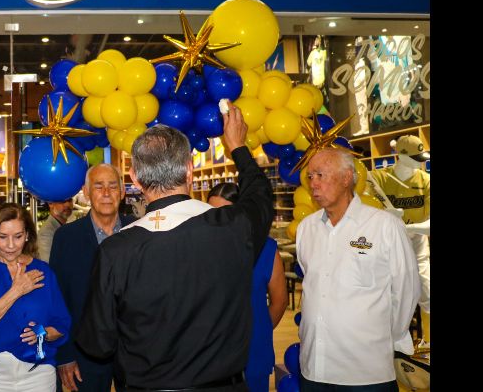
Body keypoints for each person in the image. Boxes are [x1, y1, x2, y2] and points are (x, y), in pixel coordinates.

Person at [76, 101, 274, 392]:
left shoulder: (116, 251)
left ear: (135, 179)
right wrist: (237, 147)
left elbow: (98, 344)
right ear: (189, 170)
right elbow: (260, 194)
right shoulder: (233, 227)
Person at [296, 147, 420, 391]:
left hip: (365, 372)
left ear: (346, 178)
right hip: (314, 368)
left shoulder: (384, 226)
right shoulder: (306, 229)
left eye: (321, 175)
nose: (313, 184)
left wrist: (386, 337)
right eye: (310, 176)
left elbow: (407, 291)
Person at [0, 202, 71, 391]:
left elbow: (62, 325)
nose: (11, 245)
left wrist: (43, 333)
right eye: (3, 237)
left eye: (18, 236)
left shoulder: (43, 272)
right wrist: (16, 291)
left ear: (28, 235)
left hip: (37, 371)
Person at [49, 164, 136, 392]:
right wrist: (64, 355)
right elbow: (58, 300)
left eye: (112, 186)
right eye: (98, 186)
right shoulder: (66, 237)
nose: (106, 193)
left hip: (135, 352)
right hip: (84, 353)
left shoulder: (139, 231)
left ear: (123, 191)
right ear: (86, 193)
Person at [207, 183, 288, 392]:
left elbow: (279, 301)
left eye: (225, 212)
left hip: (254, 352)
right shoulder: (200, 247)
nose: (218, 219)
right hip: (210, 353)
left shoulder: (266, 248)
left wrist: (257, 329)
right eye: (211, 212)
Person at [368, 135, 430, 345]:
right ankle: (390, 343)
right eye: (415, 157)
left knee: (428, 294)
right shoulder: (379, 178)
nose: (419, 161)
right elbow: (365, 207)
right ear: (400, 155)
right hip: (388, 247)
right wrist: (386, 216)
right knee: (390, 295)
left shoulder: (425, 180)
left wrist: (407, 226)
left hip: (417, 245)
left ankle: (428, 342)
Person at [37, 198, 74, 263]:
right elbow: (49, 265)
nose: (67, 205)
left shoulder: (63, 227)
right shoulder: (46, 233)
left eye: (70, 200)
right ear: (50, 203)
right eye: (62, 201)